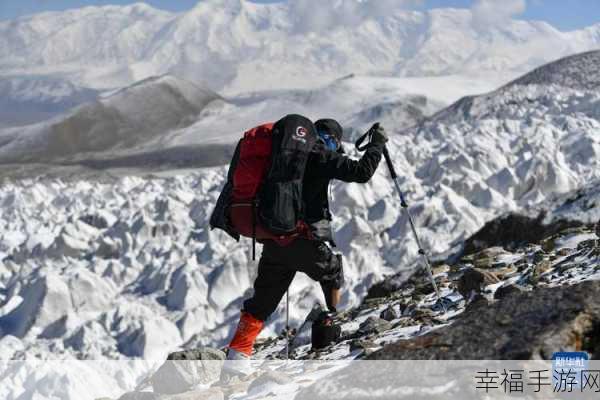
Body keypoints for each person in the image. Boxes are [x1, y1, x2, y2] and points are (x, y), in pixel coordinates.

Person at [225, 119, 388, 361]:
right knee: (332, 272)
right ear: (332, 139)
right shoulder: (321, 154)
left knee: (260, 304)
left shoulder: (285, 155)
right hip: (303, 239)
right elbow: (362, 172)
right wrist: (377, 145)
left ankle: (236, 358)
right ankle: (332, 325)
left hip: (274, 241)